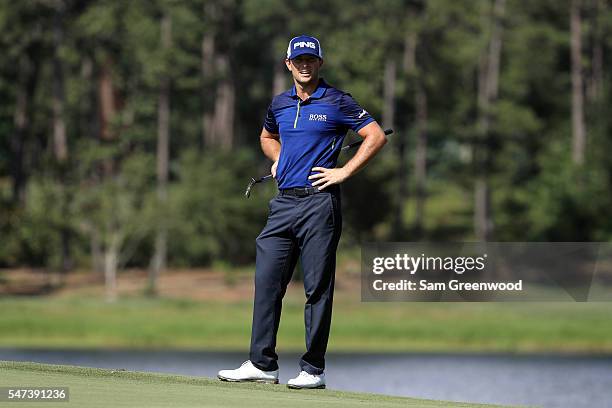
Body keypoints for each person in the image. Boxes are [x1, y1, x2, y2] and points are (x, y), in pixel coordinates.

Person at [218, 35, 387, 389]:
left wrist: (344, 172)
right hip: (282, 204)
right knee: (267, 283)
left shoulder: (338, 100)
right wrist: (279, 157)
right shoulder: (279, 104)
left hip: (318, 203)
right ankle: (262, 364)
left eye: (311, 59)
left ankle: (313, 370)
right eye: (300, 60)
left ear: (319, 63)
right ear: (288, 64)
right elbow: (266, 136)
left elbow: (375, 136)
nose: (305, 65)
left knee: (317, 289)